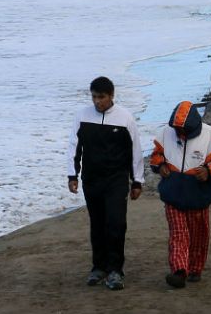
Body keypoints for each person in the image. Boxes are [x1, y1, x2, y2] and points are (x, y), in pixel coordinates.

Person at [67, 76, 144, 291]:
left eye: (100, 97)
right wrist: (72, 175)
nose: (96, 101)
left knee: (116, 223)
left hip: (116, 179)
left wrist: (137, 181)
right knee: (97, 224)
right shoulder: (82, 116)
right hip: (92, 179)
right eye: (93, 97)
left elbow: (135, 150)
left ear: (111, 96)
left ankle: (115, 271)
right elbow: (74, 147)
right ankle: (98, 267)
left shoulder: (125, 118)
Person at [150, 100, 211, 288]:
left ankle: (195, 268)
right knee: (178, 234)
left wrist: (209, 171)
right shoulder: (164, 133)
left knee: (198, 235)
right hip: (172, 196)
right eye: (178, 130)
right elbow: (156, 155)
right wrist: (160, 165)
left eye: (184, 130)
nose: (180, 134)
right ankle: (179, 271)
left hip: (199, 197)